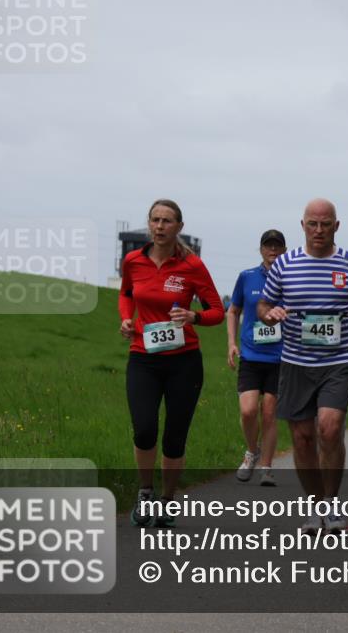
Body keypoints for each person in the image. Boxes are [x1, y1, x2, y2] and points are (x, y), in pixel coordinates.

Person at [257, 199, 348, 534]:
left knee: (329, 426)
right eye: (313, 224)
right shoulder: (285, 264)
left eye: (326, 224)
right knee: (302, 437)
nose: (319, 230)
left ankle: (332, 502)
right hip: (295, 361)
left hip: (336, 361)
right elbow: (264, 303)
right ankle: (313, 506)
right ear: (303, 225)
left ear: (336, 226)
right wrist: (270, 313)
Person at [119, 199, 224, 527]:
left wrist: (193, 316)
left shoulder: (192, 266)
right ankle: (146, 493)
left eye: (167, 221)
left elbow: (217, 311)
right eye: (155, 220)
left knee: (174, 438)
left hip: (184, 362)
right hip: (143, 358)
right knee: (145, 429)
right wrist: (126, 319)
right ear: (149, 224)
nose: (160, 226)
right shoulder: (133, 261)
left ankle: (167, 501)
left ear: (179, 227)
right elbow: (126, 294)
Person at [227, 229, 287, 486]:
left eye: (277, 246)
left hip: (280, 357)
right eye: (268, 246)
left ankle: (266, 467)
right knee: (249, 410)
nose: (272, 250)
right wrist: (231, 342)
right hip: (251, 354)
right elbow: (233, 310)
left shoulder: (291, 277)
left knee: (270, 412)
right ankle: (252, 452)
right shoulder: (247, 277)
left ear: (284, 250)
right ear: (261, 249)